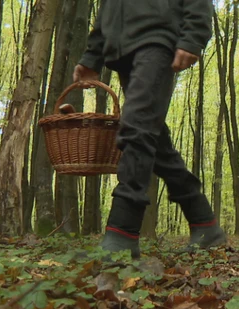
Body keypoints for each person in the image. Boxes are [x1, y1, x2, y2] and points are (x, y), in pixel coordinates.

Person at [73, 0, 226, 258]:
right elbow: (107, 9)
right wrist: (92, 55)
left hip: (158, 39)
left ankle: (122, 235)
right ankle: (204, 223)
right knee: (154, 141)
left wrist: (193, 35)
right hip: (122, 51)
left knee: (137, 130)